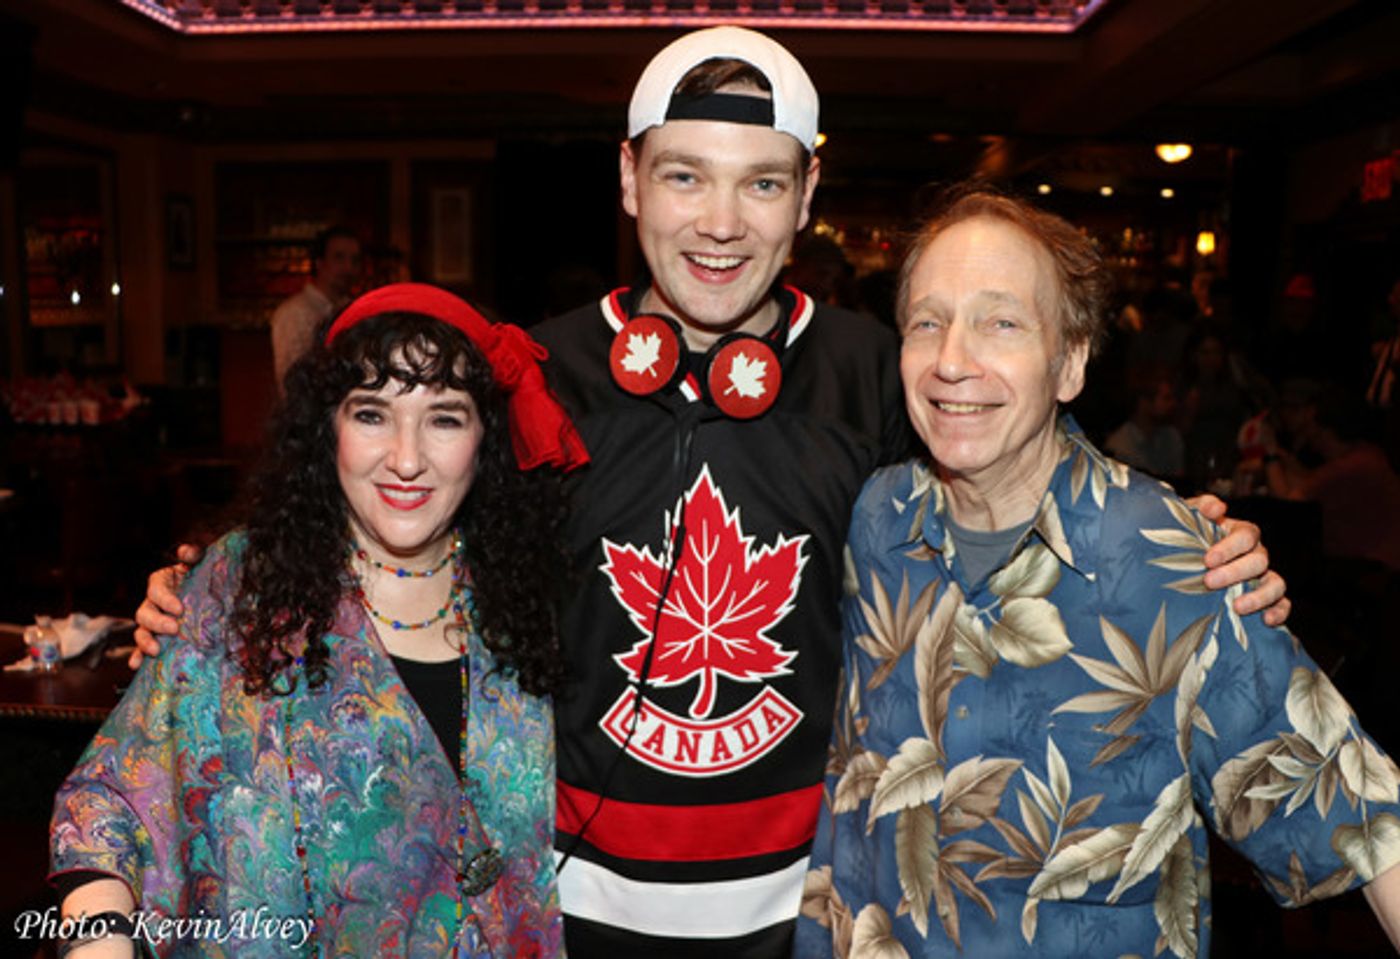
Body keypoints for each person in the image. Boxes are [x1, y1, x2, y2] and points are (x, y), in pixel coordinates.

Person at [134, 28, 1287, 958]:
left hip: (814, 907)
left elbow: (1012, 475)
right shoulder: (528, 370)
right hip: (566, 900)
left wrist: (1183, 537)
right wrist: (216, 590)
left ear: (806, 194)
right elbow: (392, 508)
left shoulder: (875, 369)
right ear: (629, 179)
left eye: (760, 184)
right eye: (683, 176)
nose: (721, 222)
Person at [796, 188, 1400, 958]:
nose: (951, 359)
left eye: (1001, 321)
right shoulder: (878, 518)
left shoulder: (1169, 558)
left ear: (1070, 361)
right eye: (928, 321)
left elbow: (1364, 816)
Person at [52, 283, 587, 958]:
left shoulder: (531, 604)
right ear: (326, 427)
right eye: (372, 414)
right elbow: (110, 803)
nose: (406, 457)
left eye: (445, 418)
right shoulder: (239, 592)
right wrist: (100, 944)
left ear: (486, 440)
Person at [270, 225, 362, 387]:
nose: (348, 268)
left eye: (354, 260)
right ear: (320, 263)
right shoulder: (294, 313)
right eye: (339, 258)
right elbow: (292, 382)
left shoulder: (355, 310)